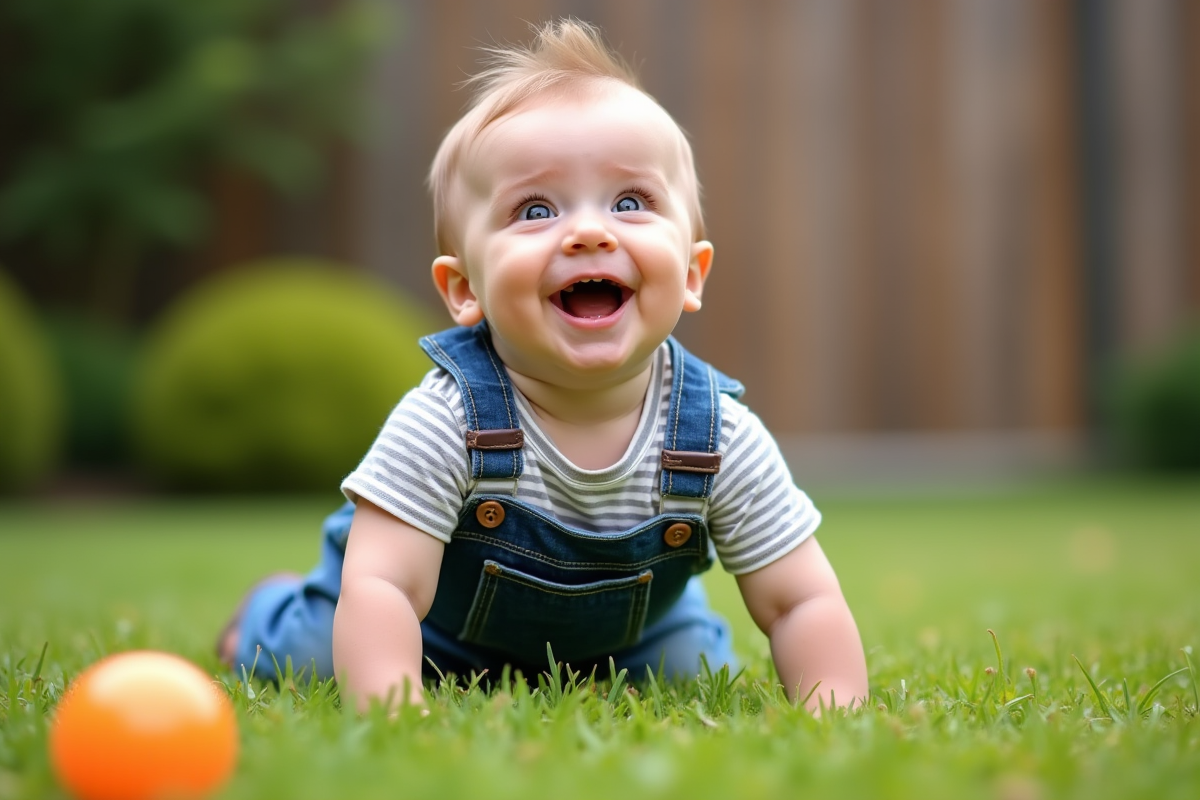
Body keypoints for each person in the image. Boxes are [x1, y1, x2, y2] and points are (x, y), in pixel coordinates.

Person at [218, 19, 868, 714]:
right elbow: (385, 587)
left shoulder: (716, 437)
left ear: (690, 272)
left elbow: (800, 598)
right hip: (431, 631)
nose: (588, 231)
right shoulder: (448, 419)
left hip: (630, 641)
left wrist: (834, 713)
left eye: (630, 202)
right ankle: (262, 613)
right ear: (464, 289)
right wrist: (391, 712)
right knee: (315, 653)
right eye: (535, 209)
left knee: (688, 672)